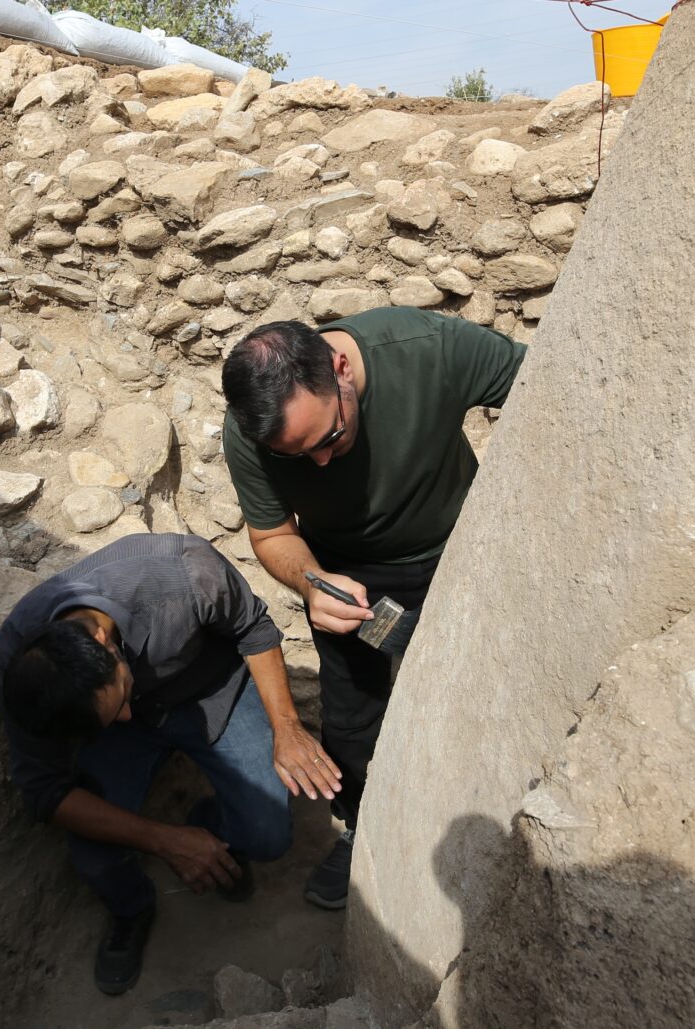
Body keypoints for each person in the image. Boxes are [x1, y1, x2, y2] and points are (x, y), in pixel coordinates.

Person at [220, 307, 528, 910]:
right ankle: (363, 827)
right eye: (298, 456)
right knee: (352, 719)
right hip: (351, 583)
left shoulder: (430, 349)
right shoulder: (252, 433)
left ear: (340, 370)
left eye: (329, 438)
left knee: (481, 690)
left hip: (463, 557)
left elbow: (558, 388)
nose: (323, 464)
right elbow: (272, 535)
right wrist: (312, 584)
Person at [0, 532, 339, 996]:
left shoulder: (182, 571)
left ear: (102, 640)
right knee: (94, 860)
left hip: (208, 689)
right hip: (119, 744)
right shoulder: (21, 663)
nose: (129, 713)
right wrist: (166, 841)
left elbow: (254, 630)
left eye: (119, 696)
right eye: (112, 714)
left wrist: (288, 728)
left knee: (267, 834)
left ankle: (212, 826)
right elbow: (46, 791)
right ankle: (132, 911)